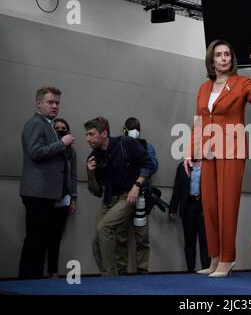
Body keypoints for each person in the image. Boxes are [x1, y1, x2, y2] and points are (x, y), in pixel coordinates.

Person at [184, 39, 251, 277]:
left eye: (227, 54)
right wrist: (190, 151)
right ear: (211, 60)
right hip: (208, 151)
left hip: (232, 149)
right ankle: (215, 257)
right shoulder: (203, 88)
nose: (223, 59)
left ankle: (228, 259)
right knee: (209, 206)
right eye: (218, 55)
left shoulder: (241, 83)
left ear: (232, 59)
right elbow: (198, 122)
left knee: (227, 205)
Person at [19, 86, 75, 279]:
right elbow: (34, 152)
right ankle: (27, 281)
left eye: (57, 103)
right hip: (37, 192)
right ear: (38, 103)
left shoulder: (47, 124)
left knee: (40, 239)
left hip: (44, 192)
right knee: (35, 239)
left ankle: (33, 281)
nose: (54, 106)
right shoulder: (36, 123)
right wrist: (62, 143)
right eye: (50, 102)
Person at [85, 116, 152, 276]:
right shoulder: (92, 157)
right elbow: (96, 191)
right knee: (96, 240)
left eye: (91, 134)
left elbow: (148, 163)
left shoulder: (125, 143)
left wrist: (137, 186)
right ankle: (107, 274)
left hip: (127, 196)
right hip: (108, 199)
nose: (87, 139)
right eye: (86, 135)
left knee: (104, 227)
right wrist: (90, 173)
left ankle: (110, 276)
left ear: (104, 134)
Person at [115, 117, 158, 275]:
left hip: (141, 195)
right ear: (124, 129)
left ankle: (143, 268)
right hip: (123, 195)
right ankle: (121, 268)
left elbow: (153, 166)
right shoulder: (119, 145)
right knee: (121, 234)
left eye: (137, 127)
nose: (135, 129)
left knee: (142, 236)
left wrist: (140, 156)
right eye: (132, 127)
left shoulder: (147, 146)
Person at [46, 118, 77, 279]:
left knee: (56, 237)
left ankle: (53, 271)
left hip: (64, 199)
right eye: (57, 128)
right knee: (41, 236)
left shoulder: (71, 151)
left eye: (63, 128)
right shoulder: (49, 148)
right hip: (45, 197)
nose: (60, 130)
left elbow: (73, 176)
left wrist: (73, 198)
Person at [169, 160, 210, 273]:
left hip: (204, 206)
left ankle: (206, 269)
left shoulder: (208, 165)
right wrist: (173, 208)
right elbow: (177, 187)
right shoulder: (183, 166)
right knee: (189, 241)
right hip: (188, 206)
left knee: (205, 241)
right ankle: (190, 271)